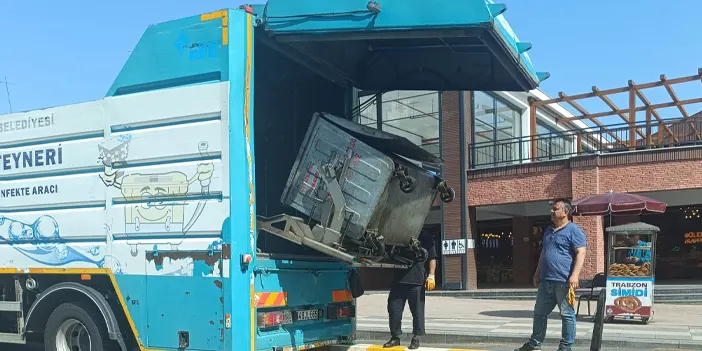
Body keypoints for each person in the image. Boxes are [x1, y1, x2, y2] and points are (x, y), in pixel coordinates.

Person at [515, 200, 587, 351]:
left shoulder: (574, 230)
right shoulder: (548, 230)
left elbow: (581, 252)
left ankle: (566, 347)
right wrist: (537, 272)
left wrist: (575, 275)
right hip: (546, 280)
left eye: (555, 209)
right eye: (551, 209)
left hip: (564, 281)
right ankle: (535, 344)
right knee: (539, 313)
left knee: (567, 314)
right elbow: (543, 253)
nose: (552, 212)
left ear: (565, 212)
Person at [383, 230, 437, 349]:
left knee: (417, 312)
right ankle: (395, 337)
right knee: (394, 310)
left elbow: (432, 257)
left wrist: (431, 275)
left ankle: (416, 338)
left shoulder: (424, 236)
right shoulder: (398, 235)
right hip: (398, 280)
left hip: (416, 281)